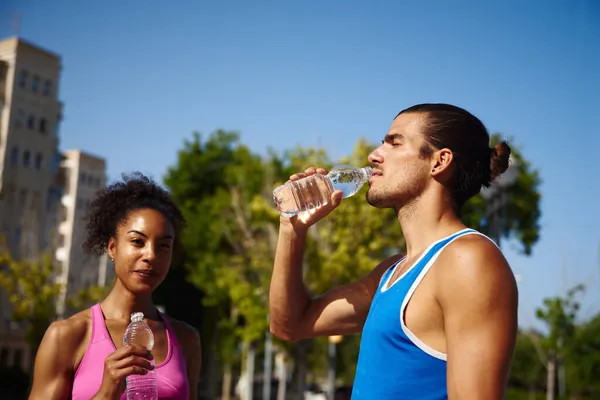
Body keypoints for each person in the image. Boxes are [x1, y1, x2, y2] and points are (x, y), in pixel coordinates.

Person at [269, 103, 519, 399]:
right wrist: (292, 230)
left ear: (439, 162)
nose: (373, 155)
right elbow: (289, 325)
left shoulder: (468, 260)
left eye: (394, 143)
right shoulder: (391, 272)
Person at [29, 172, 201, 400]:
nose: (150, 255)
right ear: (112, 248)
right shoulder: (67, 335)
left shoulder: (185, 339)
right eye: (137, 241)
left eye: (163, 246)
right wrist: (106, 392)